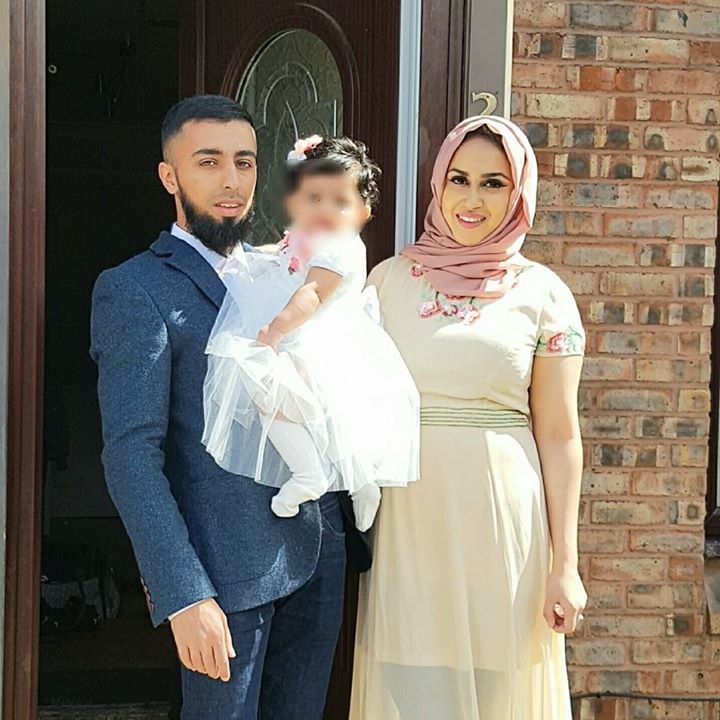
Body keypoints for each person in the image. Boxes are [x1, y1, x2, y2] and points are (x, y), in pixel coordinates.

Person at [91, 95, 353, 720]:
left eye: (244, 161)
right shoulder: (134, 289)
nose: (231, 180)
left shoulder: (286, 272)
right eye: (208, 162)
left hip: (319, 558)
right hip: (220, 576)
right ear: (170, 176)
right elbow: (131, 456)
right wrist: (183, 593)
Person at [350, 115, 588, 720]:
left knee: (497, 699)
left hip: (502, 528)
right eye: (459, 179)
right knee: (411, 696)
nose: (472, 199)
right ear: (438, 184)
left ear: (518, 194)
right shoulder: (386, 283)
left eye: (493, 183)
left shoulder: (544, 294)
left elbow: (560, 435)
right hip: (407, 527)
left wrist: (565, 565)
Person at [202, 135, 420, 531]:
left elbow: (313, 293)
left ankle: (310, 474)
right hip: (314, 340)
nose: (324, 209)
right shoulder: (307, 238)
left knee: (271, 392)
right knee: (327, 421)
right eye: (314, 197)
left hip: (321, 341)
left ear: (363, 212)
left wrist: (276, 328)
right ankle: (363, 483)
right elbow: (285, 260)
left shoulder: (340, 246)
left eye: (339, 202)